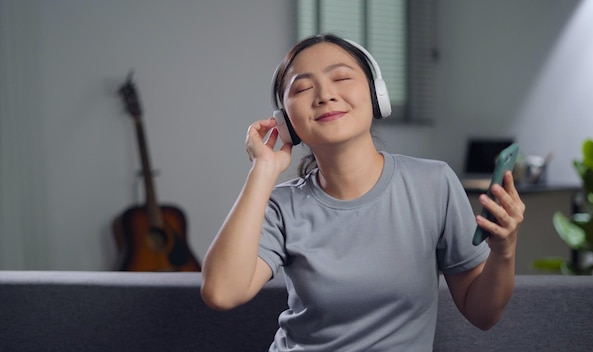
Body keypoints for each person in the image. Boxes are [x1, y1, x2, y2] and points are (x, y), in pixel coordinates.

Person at [201, 33, 525, 351]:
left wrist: (504, 251)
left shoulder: (434, 184)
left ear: (376, 94)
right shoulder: (281, 206)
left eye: (341, 78)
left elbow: (483, 313)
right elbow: (221, 292)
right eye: (302, 87)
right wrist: (264, 169)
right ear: (285, 121)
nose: (325, 95)